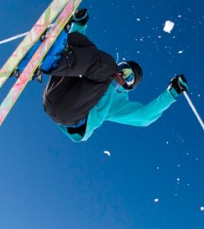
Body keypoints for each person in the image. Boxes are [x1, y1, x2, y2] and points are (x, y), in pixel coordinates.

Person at [37, 8, 188, 142]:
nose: (120, 74)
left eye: (128, 75)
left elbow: (144, 116)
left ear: (129, 87)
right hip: (53, 95)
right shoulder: (100, 72)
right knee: (88, 50)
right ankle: (54, 55)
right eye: (122, 68)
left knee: (105, 65)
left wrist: (171, 94)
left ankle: (55, 61)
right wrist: (79, 24)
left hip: (70, 114)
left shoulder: (117, 103)